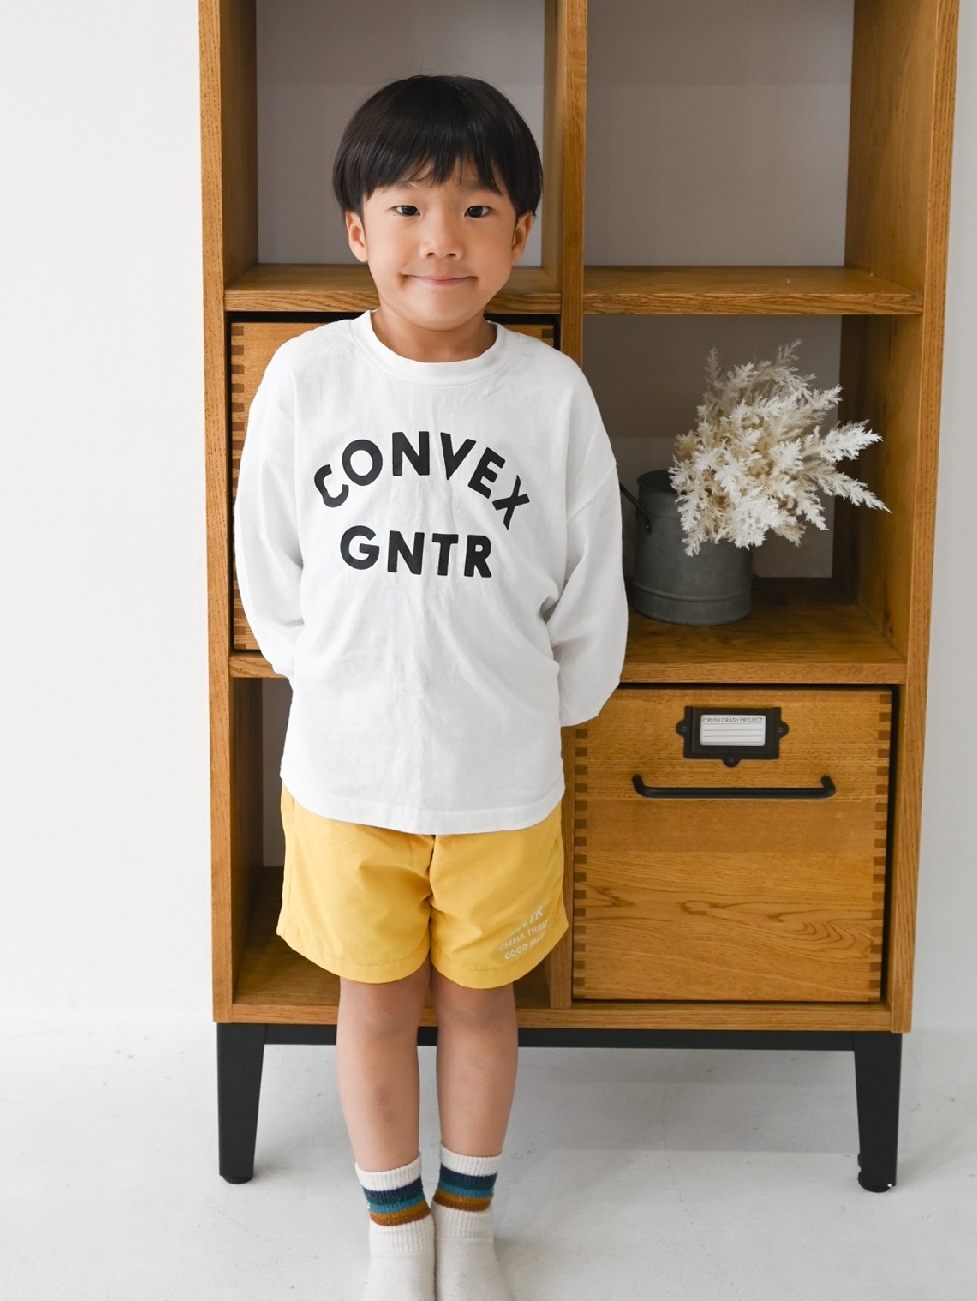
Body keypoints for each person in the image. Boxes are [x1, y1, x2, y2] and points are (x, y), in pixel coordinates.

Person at [234, 73, 628, 1301]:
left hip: (497, 775)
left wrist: (553, 711)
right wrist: (327, 677)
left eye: (476, 209)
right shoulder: (307, 377)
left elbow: (589, 574)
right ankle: (394, 1233)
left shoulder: (549, 394)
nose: (439, 239)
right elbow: (268, 560)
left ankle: (468, 1223)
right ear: (357, 230)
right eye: (406, 208)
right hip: (347, 774)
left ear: (521, 232)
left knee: (481, 1002)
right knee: (370, 1001)